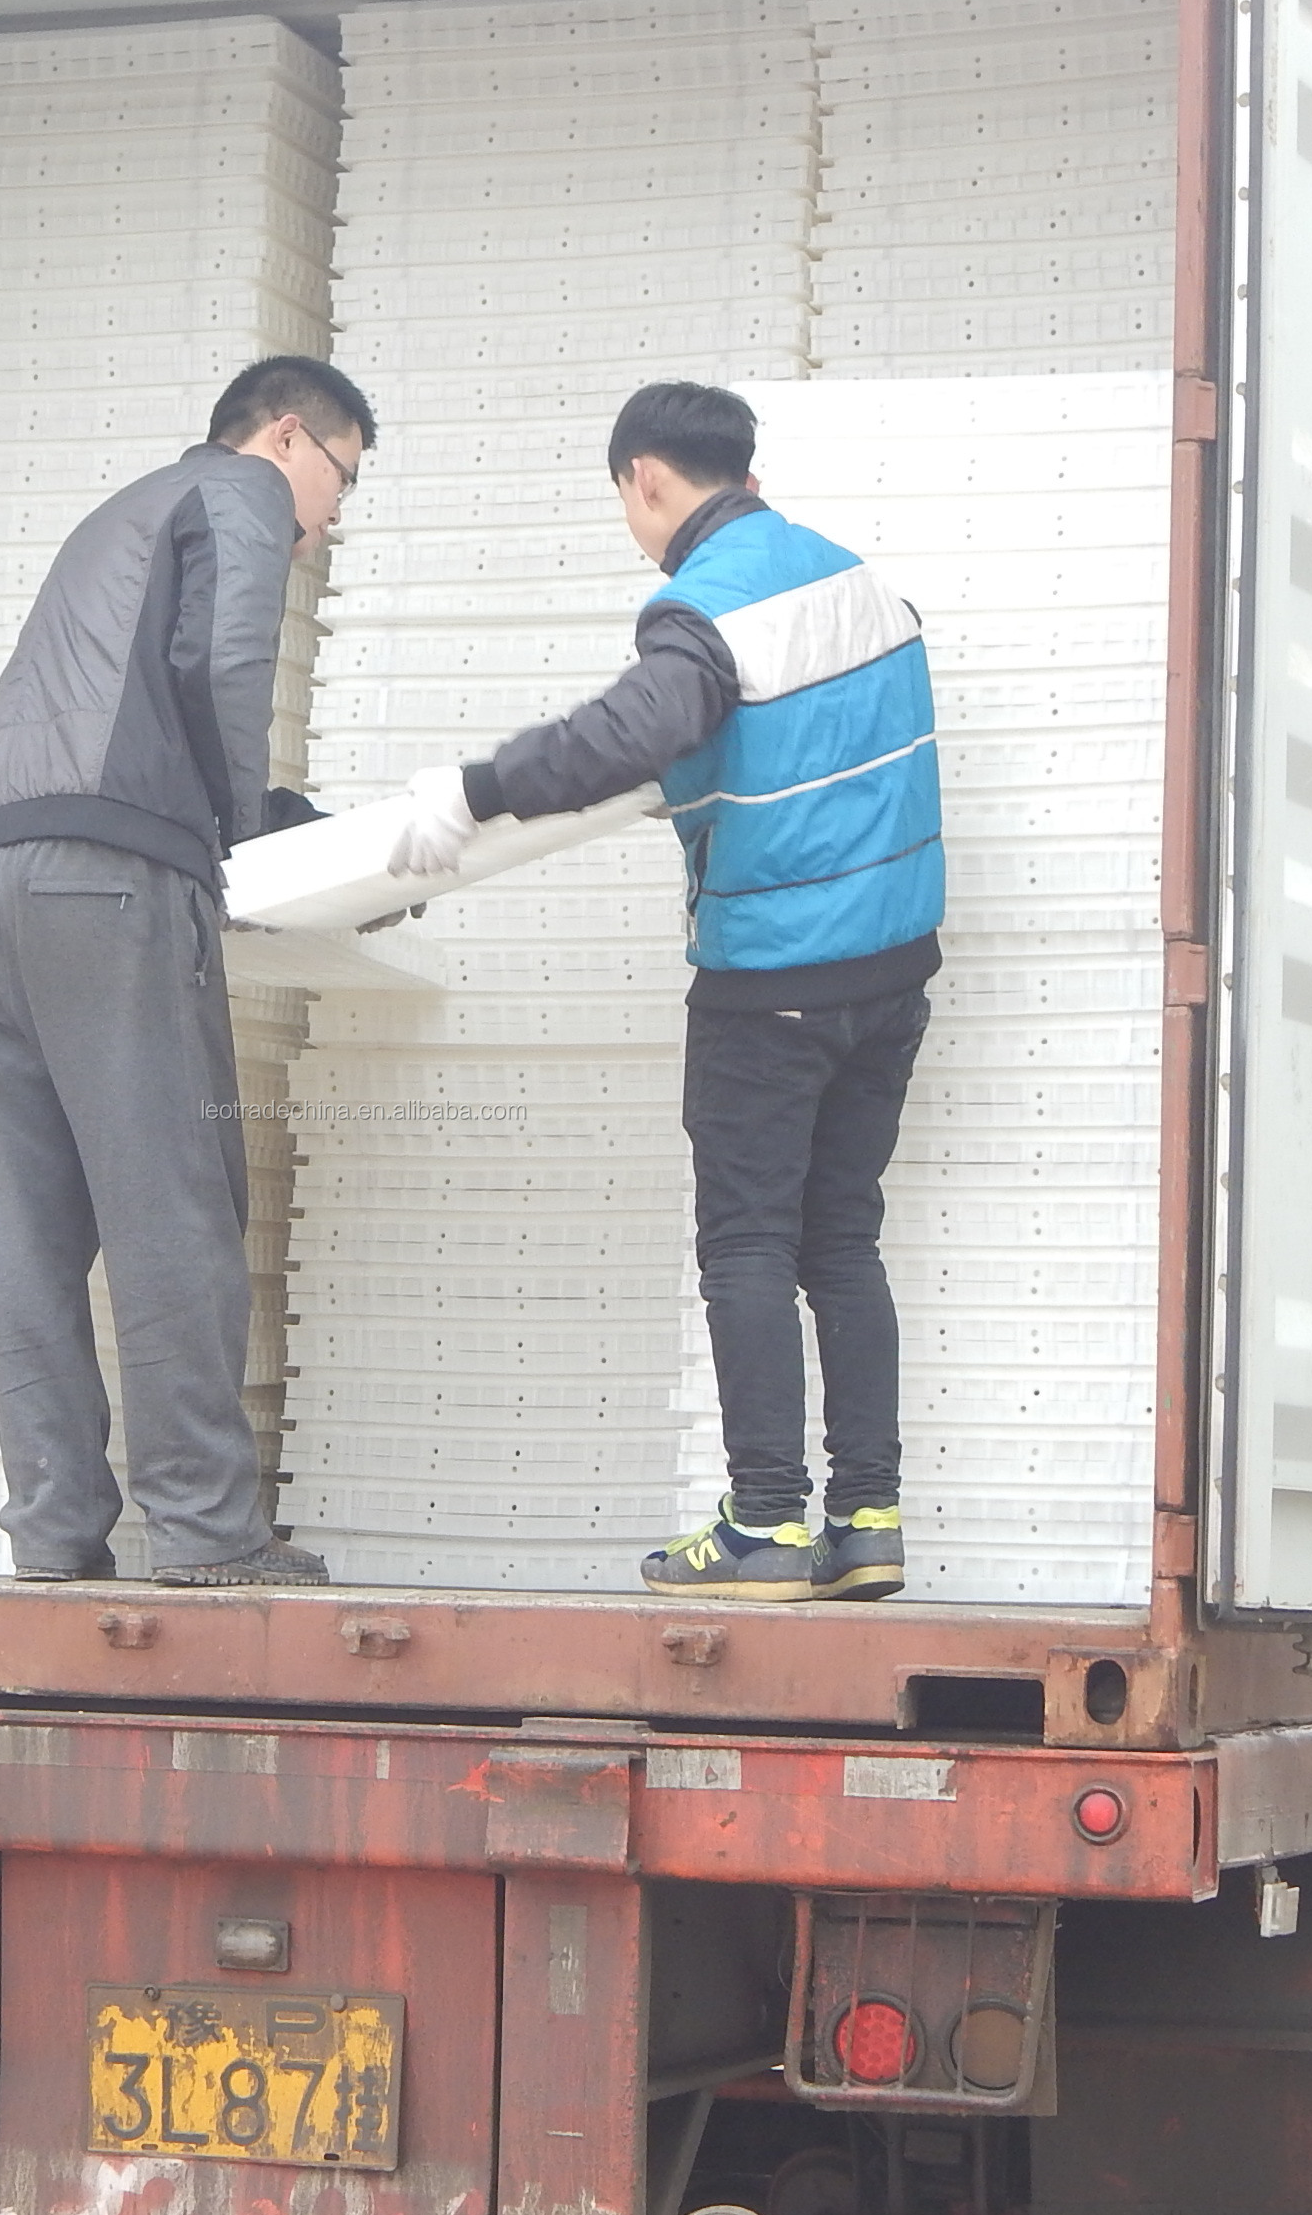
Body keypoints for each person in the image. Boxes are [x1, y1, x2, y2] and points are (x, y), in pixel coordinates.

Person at [386, 381, 942, 1604]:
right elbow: (800, 749)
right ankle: (867, 1518)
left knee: (748, 1240)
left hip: (773, 984)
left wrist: (470, 792)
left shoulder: (703, 609)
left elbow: (632, 731)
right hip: (893, 976)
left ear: (646, 478)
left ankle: (765, 1528)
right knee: (841, 1239)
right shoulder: (857, 584)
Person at [0, 357, 375, 1587]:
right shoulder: (237, 493)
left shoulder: (116, 514)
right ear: (289, 436)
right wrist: (241, 833)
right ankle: (202, 1532)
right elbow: (223, 662)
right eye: (336, 488)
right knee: (174, 1203)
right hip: (110, 878)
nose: (321, 528)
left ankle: (52, 1529)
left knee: (30, 1225)